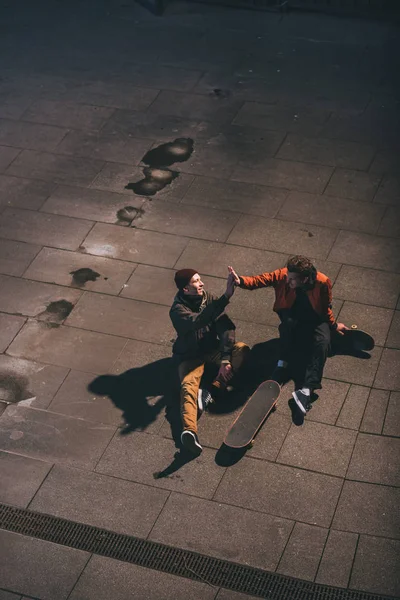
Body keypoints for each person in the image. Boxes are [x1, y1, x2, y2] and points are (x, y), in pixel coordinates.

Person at [228, 256, 348, 415]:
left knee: (322, 343)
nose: (287, 280)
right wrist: (241, 281)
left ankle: (306, 390)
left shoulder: (322, 282)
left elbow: (325, 309)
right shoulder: (284, 274)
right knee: (287, 331)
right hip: (292, 317)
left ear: (304, 279)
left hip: (315, 319)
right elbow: (262, 279)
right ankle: (282, 365)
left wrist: (333, 326)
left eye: (292, 279)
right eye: (288, 276)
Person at [170, 268, 250, 455]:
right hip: (189, 357)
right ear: (185, 290)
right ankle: (189, 431)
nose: (202, 283)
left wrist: (225, 359)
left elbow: (226, 327)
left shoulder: (208, 299)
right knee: (188, 387)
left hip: (211, 350)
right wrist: (225, 297)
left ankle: (212, 389)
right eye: (196, 281)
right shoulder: (177, 311)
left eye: (200, 279)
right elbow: (198, 321)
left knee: (242, 349)